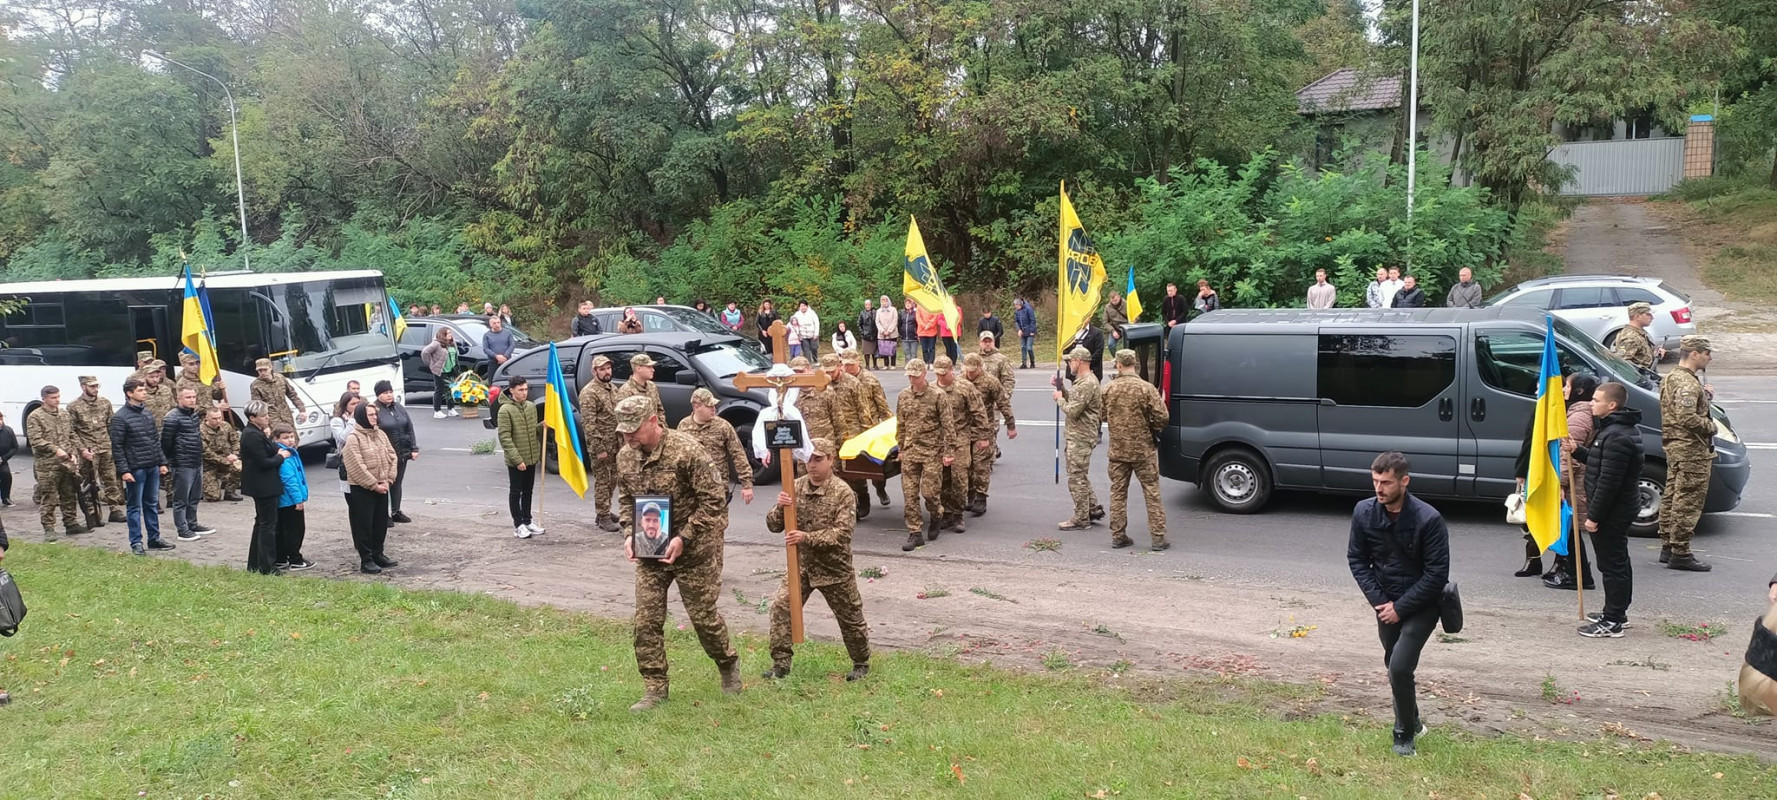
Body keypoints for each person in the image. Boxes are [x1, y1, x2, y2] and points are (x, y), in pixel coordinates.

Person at [614, 395, 741, 711]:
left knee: (703, 619)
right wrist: (629, 534)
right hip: (650, 551)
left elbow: (713, 501)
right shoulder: (626, 457)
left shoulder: (687, 451)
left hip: (693, 550)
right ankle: (655, 687)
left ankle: (727, 664)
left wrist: (684, 537)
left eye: (635, 429)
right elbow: (627, 501)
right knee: (646, 621)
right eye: (624, 431)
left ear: (654, 421)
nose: (628, 437)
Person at [1347, 451, 1449, 757]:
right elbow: (1356, 559)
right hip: (1384, 604)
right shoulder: (1364, 512)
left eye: (1386, 482)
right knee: (1394, 666)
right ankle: (1414, 720)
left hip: (1422, 605)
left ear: (1404, 481)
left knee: (1401, 665)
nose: (1379, 488)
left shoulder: (1428, 519)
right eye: (1375, 481)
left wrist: (1400, 608)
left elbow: (1436, 575)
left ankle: (1403, 735)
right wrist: (1380, 602)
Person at [763, 436, 871, 682]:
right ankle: (781, 665)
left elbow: (842, 534)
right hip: (802, 565)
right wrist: (780, 507)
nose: (812, 465)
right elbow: (772, 526)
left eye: (818, 459)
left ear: (831, 460)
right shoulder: (795, 486)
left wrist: (806, 538)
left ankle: (861, 662)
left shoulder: (843, 493)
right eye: (808, 459)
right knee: (781, 608)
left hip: (834, 567)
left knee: (850, 618)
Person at [1571, 382, 1644, 637]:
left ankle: (1612, 621)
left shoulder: (1617, 436)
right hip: (1616, 508)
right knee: (1617, 562)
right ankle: (1617, 612)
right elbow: (1600, 461)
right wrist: (1577, 450)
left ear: (1612, 405)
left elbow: (1608, 482)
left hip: (1613, 511)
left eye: (1596, 400)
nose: (1592, 403)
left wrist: (1594, 516)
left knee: (1612, 565)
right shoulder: (1613, 430)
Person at [1659, 335, 1716, 572]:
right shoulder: (1688, 384)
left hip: (1676, 447)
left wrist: (1705, 397)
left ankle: (1668, 545)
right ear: (1694, 354)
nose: (1709, 357)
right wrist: (1712, 426)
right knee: (1688, 501)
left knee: (1672, 495)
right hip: (1691, 449)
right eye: (1706, 353)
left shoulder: (1673, 377)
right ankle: (1680, 552)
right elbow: (1687, 417)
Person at [1103, 349, 1170, 550]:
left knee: (1117, 493)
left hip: (1118, 452)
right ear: (1134, 364)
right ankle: (1158, 538)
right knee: (1152, 492)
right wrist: (1151, 426)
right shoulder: (1146, 388)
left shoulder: (1108, 389)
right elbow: (1163, 417)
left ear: (1119, 365)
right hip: (1143, 451)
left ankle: (1118, 535)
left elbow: (1101, 415)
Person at [1545, 374, 1599, 591]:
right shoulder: (1584, 412)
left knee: (1570, 530)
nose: (1564, 389)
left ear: (1578, 391)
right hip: (1578, 480)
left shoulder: (1578, 417)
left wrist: (1561, 483)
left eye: (1567, 386)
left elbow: (1569, 456)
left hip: (1575, 482)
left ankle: (1578, 576)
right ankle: (1574, 572)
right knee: (1570, 529)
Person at [109, 378, 172, 555]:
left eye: (144, 389)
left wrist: (162, 462)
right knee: (134, 507)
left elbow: (154, 440)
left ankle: (154, 538)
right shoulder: (120, 418)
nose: (144, 392)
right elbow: (117, 447)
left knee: (151, 504)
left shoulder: (147, 413)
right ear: (130, 393)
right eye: (140, 390)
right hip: (135, 468)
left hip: (152, 465)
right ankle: (136, 541)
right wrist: (124, 470)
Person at [895, 359, 948, 551]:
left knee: (929, 492)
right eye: (909, 376)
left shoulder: (938, 395)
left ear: (924, 374)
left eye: (915, 376)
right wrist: (900, 448)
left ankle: (937, 514)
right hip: (910, 451)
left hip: (932, 451)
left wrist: (948, 452)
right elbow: (900, 424)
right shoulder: (904, 396)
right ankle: (915, 532)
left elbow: (948, 426)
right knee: (909, 495)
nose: (912, 379)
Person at [342, 400, 400, 574]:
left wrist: (388, 480)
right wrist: (374, 485)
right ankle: (366, 559)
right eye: (371, 415)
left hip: (383, 485)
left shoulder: (380, 434)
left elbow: (392, 456)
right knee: (364, 525)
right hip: (363, 489)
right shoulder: (353, 438)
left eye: (376, 414)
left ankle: (378, 554)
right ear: (362, 416)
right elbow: (356, 466)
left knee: (380, 523)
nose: (375, 417)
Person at [932, 356, 985, 533]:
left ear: (951, 370)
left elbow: (979, 412)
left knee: (959, 478)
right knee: (942, 479)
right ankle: (946, 513)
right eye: (938, 374)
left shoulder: (964, 388)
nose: (941, 377)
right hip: (940, 441)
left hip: (961, 438)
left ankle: (957, 514)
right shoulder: (931, 389)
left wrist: (983, 436)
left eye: (944, 373)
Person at [1054, 347, 1103, 530]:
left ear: (1079, 361)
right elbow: (1076, 401)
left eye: (1070, 361)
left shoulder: (1087, 383)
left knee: (1076, 478)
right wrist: (1062, 389)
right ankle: (1092, 508)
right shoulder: (1082, 381)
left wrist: (1059, 399)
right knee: (1080, 474)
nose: (1068, 364)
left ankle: (1081, 518)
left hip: (1081, 436)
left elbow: (1073, 411)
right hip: (1079, 434)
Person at [678, 388, 754, 506]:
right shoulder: (684, 426)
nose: (714, 409)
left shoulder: (723, 426)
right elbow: (678, 456)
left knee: (717, 522)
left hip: (717, 486)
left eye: (714, 405)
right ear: (697, 407)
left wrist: (747, 484)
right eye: (709, 406)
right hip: (691, 487)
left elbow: (738, 454)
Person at [27, 385, 85, 540]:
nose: (57, 400)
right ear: (44, 398)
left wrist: (75, 452)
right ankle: (49, 528)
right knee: (49, 497)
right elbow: (36, 440)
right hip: (47, 464)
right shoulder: (35, 416)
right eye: (53, 398)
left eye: (58, 397)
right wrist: (55, 449)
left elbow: (70, 435)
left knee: (69, 494)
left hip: (66, 463)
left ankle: (71, 523)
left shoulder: (64, 414)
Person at [68, 375, 125, 527]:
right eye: (91, 386)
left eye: (96, 386)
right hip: (88, 449)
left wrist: (113, 443)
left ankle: (115, 508)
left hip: (105, 446)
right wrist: (81, 449)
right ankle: (92, 512)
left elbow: (110, 424)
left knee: (110, 479)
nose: (95, 389)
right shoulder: (74, 406)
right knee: (88, 482)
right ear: (83, 387)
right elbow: (71, 431)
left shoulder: (104, 403)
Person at [962, 353, 1014, 516]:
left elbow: (1003, 402)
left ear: (980, 367)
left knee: (980, 465)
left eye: (973, 370)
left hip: (984, 428)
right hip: (964, 429)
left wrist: (1010, 424)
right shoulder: (961, 380)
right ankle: (970, 495)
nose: (970, 374)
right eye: (968, 370)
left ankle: (981, 497)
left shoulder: (990, 381)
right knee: (966, 464)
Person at [841, 349, 893, 507]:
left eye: (851, 364)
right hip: (850, 430)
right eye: (845, 364)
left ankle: (880, 488)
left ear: (858, 362)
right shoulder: (841, 381)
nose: (848, 367)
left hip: (870, 427)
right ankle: (862, 498)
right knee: (855, 468)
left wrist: (889, 425)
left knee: (875, 466)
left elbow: (882, 404)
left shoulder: (870, 380)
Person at [239, 401, 286, 576]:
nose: (267, 418)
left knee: (262, 523)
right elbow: (264, 462)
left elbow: (272, 448)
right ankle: (268, 565)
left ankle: (256, 563)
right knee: (267, 525)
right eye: (264, 415)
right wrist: (281, 457)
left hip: (264, 484)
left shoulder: (258, 432)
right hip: (263, 485)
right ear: (253, 418)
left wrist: (271, 442)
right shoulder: (251, 435)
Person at [161, 387, 213, 542]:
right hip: (182, 463)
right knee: (181, 498)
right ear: (179, 398)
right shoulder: (172, 418)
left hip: (196, 461)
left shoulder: (194, 416)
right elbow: (165, 442)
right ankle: (182, 529)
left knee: (195, 496)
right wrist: (170, 460)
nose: (192, 399)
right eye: (188, 397)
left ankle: (192, 523)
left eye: (194, 396)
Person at [578, 355, 623, 532]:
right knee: (603, 480)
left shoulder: (613, 389)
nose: (606, 372)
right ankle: (603, 515)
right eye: (602, 369)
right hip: (602, 445)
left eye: (608, 368)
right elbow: (589, 424)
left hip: (616, 442)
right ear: (594, 371)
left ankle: (604, 510)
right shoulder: (589, 392)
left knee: (614, 479)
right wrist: (599, 448)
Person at [498, 376, 544, 539]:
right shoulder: (505, 410)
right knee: (516, 491)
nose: (524, 393)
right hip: (516, 459)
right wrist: (517, 460)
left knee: (528, 491)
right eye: (520, 390)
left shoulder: (531, 407)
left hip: (531, 456)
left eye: (526, 389)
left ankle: (527, 520)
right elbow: (505, 437)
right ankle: (518, 524)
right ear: (512, 390)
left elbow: (532, 430)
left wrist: (541, 427)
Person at [367, 381, 417, 524]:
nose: (389, 395)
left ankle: (396, 511)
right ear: (378, 395)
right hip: (385, 455)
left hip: (402, 453)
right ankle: (384, 514)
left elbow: (409, 427)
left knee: (397, 483)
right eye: (385, 393)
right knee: (385, 483)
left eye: (390, 392)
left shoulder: (399, 408)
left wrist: (414, 448)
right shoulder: (374, 410)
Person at [272, 424, 314, 571]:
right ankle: (295, 558)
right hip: (289, 500)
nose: (290, 440)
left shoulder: (291, 453)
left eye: (291, 437)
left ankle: (281, 558)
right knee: (295, 530)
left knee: (284, 530)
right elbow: (289, 480)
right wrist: (298, 499)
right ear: (276, 439)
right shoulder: (285, 456)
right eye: (285, 438)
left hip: (285, 500)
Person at [201, 405, 243, 502]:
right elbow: (206, 452)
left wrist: (235, 454)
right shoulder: (200, 430)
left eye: (219, 417)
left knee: (238, 466)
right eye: (214, 418)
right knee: (213, 497)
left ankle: (230, 492)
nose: (218, 421)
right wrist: (225, 461)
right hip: (208, 465)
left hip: (226, 458)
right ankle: (207, 487)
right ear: (207, 417)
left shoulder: (226, 426)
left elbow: (235, 441)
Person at [251, 358, 306, 430]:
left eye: (265, 370)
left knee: (292, 438)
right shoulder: (256, 385)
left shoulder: (280, 378)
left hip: (286, 416)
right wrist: (265, 426)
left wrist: (302, 410)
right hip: (271, 420)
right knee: (277, 439)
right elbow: (258, 407)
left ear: (271, 368)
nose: (263, 373)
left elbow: (292, 394)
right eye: (260, 370)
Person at [1613, 302, 1665, 372]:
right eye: (1648, 315)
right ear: (1637, 317)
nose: (1652, 317)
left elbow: (1639, 356)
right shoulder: (1630, 337)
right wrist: (1642, 371)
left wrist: (1654, 355)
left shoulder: (1638, 333)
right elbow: (1623, 362)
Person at [421, 327, 460, 418]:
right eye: (447, 333)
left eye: (450, 333)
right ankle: (437, 410)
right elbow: (425, 352)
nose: (450, 335)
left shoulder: (452, 343)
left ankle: (451, 409)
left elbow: (455, 355)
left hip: (451, 369)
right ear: (443, 335)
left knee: (451, 389)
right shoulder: (436, 344)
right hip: (440, 370)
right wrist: (430, 363)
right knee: (439, 389)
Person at [614, 353, 665, 421]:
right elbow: (623, 421)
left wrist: (661, 427)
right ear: (638, 368)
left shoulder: (652, 386)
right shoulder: (626, 391)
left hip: (655, 429)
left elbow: (660, 410)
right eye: (649, 367)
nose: (653, 370)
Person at [331, 392, 361, 497]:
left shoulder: (363, 417)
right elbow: (343, 438)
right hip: (347, 461)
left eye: (358, 403)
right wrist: (352, 420)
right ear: (345, 405)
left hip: (362, 458)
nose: (356, 406)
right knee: (352, 497)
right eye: (353, 404)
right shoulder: (337, 421)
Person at [874, 295, 900, 369]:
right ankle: (886, 364)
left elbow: (895, 320)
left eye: (885, 300)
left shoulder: (893, 309)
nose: (884, 301)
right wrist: (882, 330)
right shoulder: (878, 311)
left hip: (892, 333)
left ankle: (893, 364)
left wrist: (889, 330)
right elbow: (877, 321)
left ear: (888, 300)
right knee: (884, 348)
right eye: (882, 300)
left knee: (892, 348)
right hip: (882, 333)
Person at [1014, 298, 1038, 369]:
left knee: (1029, 348)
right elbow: (1016, 321)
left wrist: (1032, 331)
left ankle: (1032, 362)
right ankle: (1024, 363)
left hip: (1029, 331)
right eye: (1015, 306)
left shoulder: (1028, 309)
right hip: (1022, 331)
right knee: (1023, 347)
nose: (1016, 307)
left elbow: (1033, 320)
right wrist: (1019, 329)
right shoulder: (1017, 311)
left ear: (1020, 304)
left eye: (1017, 305)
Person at [855, 299, 877, 368]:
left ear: (871, 305)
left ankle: (875, 364)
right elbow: (859, 323)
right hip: (865, 334)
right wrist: (862, 332)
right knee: (866, 352)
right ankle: (867, 365)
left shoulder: (875, 312)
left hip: (874, 334)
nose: (867, 306)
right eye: (866, 305)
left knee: (874, 351)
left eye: (869, 304)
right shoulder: (862, 313)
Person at [0, 410, 16, 506]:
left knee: (6, 474)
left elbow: (15, 447)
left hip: (2, 460)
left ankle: (6, 497)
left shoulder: (8, 431)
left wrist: (3, 458)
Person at [900, 297, 921, 364]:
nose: (908, 305)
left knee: (913, 354)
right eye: (906, 303)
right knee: (907, 354)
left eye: (909, 303)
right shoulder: (902, 312)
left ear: (912, 304)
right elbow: (899, 323)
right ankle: (908, 366)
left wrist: (917, 334)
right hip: (904, 337)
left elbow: (918, 323)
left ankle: (914, 366)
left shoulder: (915, 312)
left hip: (914, 337)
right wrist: (901, 332)